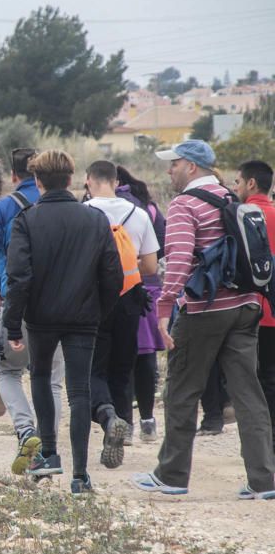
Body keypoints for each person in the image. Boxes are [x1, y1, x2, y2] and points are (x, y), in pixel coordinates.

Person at [132, 140, 275, 499]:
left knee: (181, 390)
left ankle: (172, 475)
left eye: (174, 164)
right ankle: (264, 480)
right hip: (246, 306)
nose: (170, 170)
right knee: (248, 394)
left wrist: (164, 309)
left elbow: (178, 262)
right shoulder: (232, 199)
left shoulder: (185, 205)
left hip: (204, 310)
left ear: (192, 167)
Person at [3, 150, 123, 495]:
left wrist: (13, 325)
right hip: (85, 316)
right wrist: (101, 310)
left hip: (41, 317)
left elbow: (19, 278)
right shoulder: (95, 219)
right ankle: (81, 475)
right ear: (71, 180)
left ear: (37, 181)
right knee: (80, 390)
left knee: (41, 378)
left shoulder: (27, 219)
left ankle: (50, 454)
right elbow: (112, 273)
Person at [0, 147, 66, 475]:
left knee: (8, 372)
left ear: (14, 176)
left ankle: (26, 432)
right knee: (52, 379)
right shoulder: (64, 206)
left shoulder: (5, 207)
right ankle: (50, 445)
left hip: (13, 302)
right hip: (58, 304)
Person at [83, 160, 159, 468]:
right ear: (116, 181)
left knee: (94, 368)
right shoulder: (139, 214)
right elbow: (152, 267)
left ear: (88, 180)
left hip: (94, 300)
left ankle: (107, 415)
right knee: (123, 365)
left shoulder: (84, 214)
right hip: (130, 299)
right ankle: (124, 426)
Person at [115, 165, 167, 442]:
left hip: (119, 290)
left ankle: (125, 423)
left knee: (122, 359)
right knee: (146, 357)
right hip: (149, 289)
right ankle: (148, 420)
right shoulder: (149, 207)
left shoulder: (102, 206)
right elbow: (160, 248)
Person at [232, 160, 275, 456]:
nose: (235, 187)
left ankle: (265, 447)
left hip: (254, 311)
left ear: (251, 184)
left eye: (237, 182)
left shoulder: (241, 217)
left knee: (258, 381)